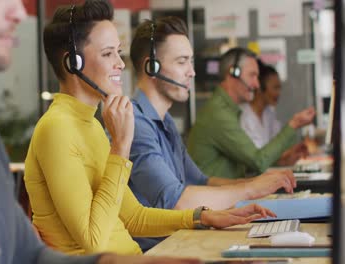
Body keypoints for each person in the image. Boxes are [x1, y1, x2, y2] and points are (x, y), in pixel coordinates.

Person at [0, 0, 202, 263]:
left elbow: (26, 253)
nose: (19, 12)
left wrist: (196, 220)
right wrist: (121, 148)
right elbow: (91, 238)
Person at [24, 0, 275, 256]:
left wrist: (202, 217)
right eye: (108, 53)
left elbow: (133, 217)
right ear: (73, 63)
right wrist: (120, 148)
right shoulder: (57, 128)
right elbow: (94, 239)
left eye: (118, 52)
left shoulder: (91, 125)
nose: (120, 64)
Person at [127, 16, 296, 251]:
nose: (192, 72)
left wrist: (254, 185)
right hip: (158, 251)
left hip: (182, 241)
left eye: (191, 61)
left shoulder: (164, 121)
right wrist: (249, 189)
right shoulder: (135, 123)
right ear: (151, 67)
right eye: (182, 62)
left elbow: (201, 181)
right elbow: (174, 201)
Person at [186, 48, 315, 179]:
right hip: (211, 197)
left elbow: (246, 162)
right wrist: (294, 124)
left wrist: (281, 160)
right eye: (252, 75)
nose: (257, 84)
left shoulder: (227, 110)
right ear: (232, 72)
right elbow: (258, 161)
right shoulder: (218, 114)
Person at [240, 60, 311, 166]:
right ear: (259, 88)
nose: (278, 93)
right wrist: (295, 123)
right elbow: (259, 159)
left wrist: (293, 151)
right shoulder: (244, 116)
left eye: (279, 88)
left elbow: (275, 152)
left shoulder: (269, 113)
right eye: (275, 88)